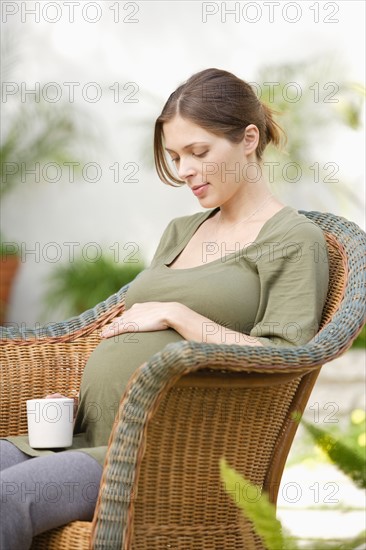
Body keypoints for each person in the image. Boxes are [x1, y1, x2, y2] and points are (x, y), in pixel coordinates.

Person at [0, 67, 329, 548]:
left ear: (248, 139)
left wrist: (180, 314)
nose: (184, 170)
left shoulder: (293, 239)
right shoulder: (181, 230)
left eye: (198, 152)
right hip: (77, 433)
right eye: (176, 156)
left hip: (157, 453)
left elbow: (285, 358)